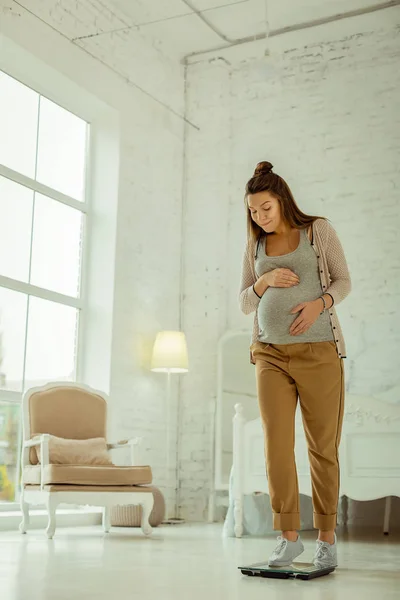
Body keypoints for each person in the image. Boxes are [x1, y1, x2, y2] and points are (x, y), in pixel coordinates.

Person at [239, 161, 351, 569]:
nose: (260, 217)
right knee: (275, 446)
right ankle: (288, 538)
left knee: (322, 447)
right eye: (253, 211)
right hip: (269, 353)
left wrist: (319, 303)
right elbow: (245, 301)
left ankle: (326, 538)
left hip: (319, 351)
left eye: (266, 208)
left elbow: (343, 281)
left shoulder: (317, 231)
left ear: (282, 200)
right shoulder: (254, 247)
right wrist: (263, 282)